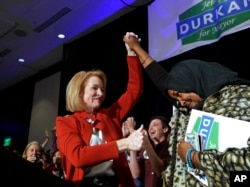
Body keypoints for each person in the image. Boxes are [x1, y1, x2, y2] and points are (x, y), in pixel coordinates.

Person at [123, 32, 250, 187]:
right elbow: (162, 80)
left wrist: (193, 157)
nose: (180, 103)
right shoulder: (195, 108)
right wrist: (136, 47)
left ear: (192, 81)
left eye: (179, 94)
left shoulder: (240, 99)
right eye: (176, 99)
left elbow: (244, 170)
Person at [56, 32, 144, 187]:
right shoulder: (66, 123)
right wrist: (124, 143)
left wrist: (132, 53)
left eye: (102, 89)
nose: (101, 93)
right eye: (95, 88)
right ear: (79, 91)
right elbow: (78, 157)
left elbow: (134, 90)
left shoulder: (110, 116)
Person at [124, 115, 171, 187]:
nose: (150, 128)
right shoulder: (146, 150)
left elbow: (160, 171)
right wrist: (132, 146)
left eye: (155, 125)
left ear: (165, 129)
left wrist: (132, 131)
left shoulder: (169, 147)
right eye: (149, 126)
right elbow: (135, 174)